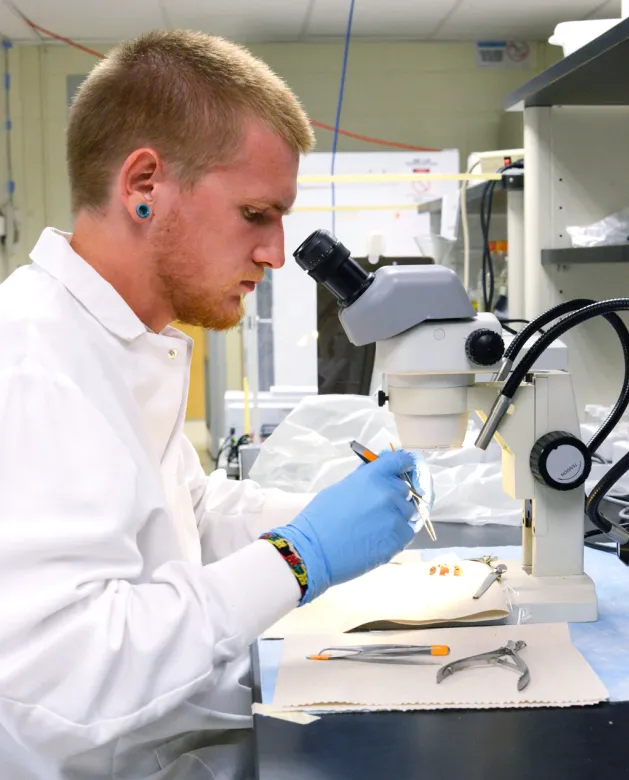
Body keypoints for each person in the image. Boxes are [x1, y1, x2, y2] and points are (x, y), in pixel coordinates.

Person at [0, 30, 423, 780]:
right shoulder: (34, 363)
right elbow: (61, 677)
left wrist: (324, 510)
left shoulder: (123, 341)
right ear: (144, 186)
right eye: (255, 213)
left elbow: (183, 517)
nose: (275, 252)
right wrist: (302, 556)